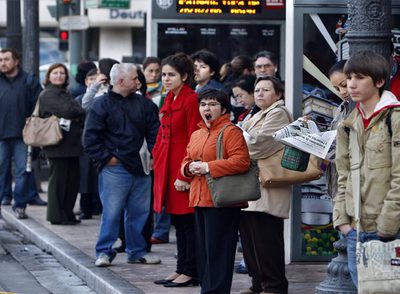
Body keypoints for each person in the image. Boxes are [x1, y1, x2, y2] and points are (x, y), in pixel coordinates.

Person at [333, 51, 400, 288]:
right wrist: (342, 220)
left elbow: (399, 177)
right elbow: (343, 176)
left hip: (389, 229)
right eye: (349, 77)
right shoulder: (347, 124)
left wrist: (387, 226)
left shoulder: (395, 118)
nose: (351, 84)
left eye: (359, 77)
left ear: (379, 81)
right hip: (355, 230)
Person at [83, 63, 161, 267]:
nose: (139, 81)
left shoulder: (145, 105)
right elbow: (90, 139)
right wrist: (107, 159)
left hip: (141, 166)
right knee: (111, 212)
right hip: (114, 168)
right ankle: (104, 251)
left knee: (139, 213)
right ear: (120, 81)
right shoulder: (100, 104)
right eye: (135, 78)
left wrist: (153, 157)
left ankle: (136, 251)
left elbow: (155, 134)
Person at [181, 88, 251, 293]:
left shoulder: (231, 131)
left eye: (212, 104)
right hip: (199, 198)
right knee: (204, 252)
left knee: (219, 252)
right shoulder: (197, 133)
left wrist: (208, 167)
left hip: (222, 200)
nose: (206, 108)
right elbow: (187, 158)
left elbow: (241, 162)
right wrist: (188, 168)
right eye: (203, 104)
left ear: (224, 109)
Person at [152, 53, 202, 287]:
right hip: (167, 165)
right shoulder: (169, 98)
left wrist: (185, 173)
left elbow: (195, 137)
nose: (165, 79)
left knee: (187, 222)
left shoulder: (192, 99)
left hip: (181, 165)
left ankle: (191, 270)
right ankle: (181, 267)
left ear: (184, 76)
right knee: (177, 221)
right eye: (164, 75)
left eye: (171, 75)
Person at [240, 76, 292, 294]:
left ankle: (274, 285)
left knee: (266, 238)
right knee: (250, 239)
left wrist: (238, 142)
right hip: (251, 183)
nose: (259, 93)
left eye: (265, 90)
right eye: (257, 89)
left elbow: (259, 145)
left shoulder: (279, 113)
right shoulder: (257, 113)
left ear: (278, 94)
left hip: (268, 184)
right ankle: (258, 283)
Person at [39, 63, 86, 225]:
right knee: (58, 181)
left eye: (62, 73)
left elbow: (76, 110)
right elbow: (70, 111)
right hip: (56, 144)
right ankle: (56, 216)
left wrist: (77, 112)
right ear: (49, 76)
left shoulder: (66, 93)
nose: (59, 76)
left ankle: (67, 213)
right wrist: (78, 112)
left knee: (72, 181)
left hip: (71, 144)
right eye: (55, 73)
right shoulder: (48, 94)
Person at [0, 48, 42, 219]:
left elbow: (39, 104)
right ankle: (4, 196)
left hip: (23, 136)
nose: (3, 63)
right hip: (1, 135)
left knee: (22, 172)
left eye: (6, 59)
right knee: (1, 170)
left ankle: (19, 205)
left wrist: (32, 118)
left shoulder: (29, 81)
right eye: (1, 60)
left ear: (16, 61)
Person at [142, 56, 171, 245]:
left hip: (159, 147)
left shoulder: (164, 94)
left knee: (161, 190)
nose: (154, 74)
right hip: (143, 148)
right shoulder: (140, 93)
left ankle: (161, 230)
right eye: (150, 71)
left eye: (157, 71)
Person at [326, 60, 356, 199]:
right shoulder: (341, 109)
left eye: (344, 85)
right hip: (337, 182)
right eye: (337, 89)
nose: (342, 92)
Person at [75, 68, 100, 220]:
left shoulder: (105, 97)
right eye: (91, 79)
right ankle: (85, 208)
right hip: (84, 143)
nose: (93, 82)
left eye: (97, 79)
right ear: (86, 82)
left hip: (100, 142)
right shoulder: (80, 99)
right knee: (85, 178)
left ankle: (98, 206)